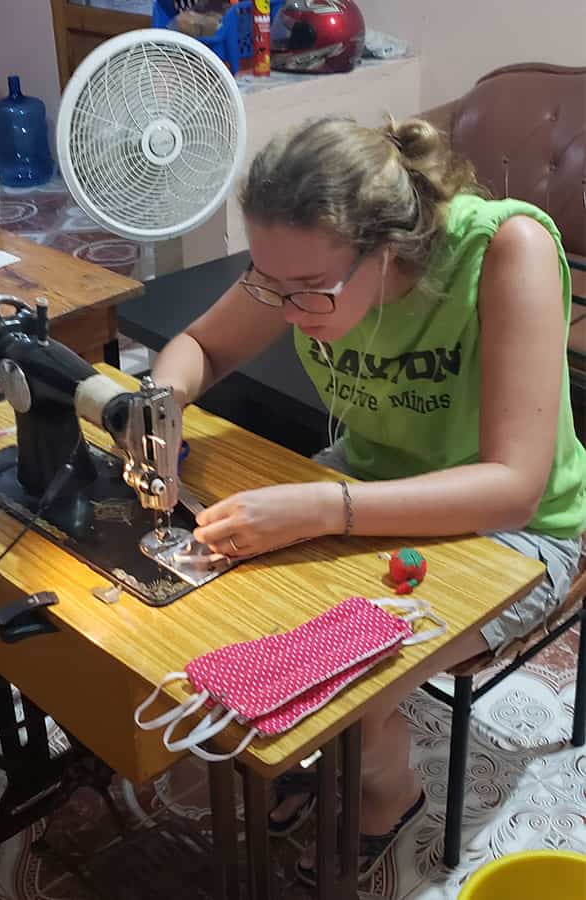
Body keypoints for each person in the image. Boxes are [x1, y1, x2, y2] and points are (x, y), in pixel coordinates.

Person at [150, 115, 586, 885]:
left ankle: (391, 793)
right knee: (227, 609)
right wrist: (157, 406)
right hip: (366, 486)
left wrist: (321, 510)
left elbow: (514, 488)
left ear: (388, 252)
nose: (284, 311)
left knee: (343, 677)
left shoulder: (503, 251)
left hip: (516, 534)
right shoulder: (302, 265)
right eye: (266, 282)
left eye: (308, 293)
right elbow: (203, 347)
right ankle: (313, 752)